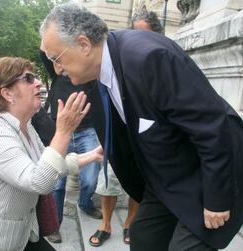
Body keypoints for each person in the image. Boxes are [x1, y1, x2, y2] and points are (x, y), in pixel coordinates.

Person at [40, 3, 243, 251]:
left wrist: (217, 199)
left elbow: (212, 127)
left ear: (84, 44)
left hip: (214, 171)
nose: (56, 69)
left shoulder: (149, 58)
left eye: (56, 58)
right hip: (169, 176)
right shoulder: (98, 74)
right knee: (143, 237)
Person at [0, 57, 103, 251]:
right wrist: (64, 131)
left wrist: (93, 155)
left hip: (21, 235)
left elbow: (49, 166)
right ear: (7, 93)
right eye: (29, 78)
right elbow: (40, 182)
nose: (39, 82)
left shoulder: (26, 127)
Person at [89, 8, 165, 247]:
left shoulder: (160, 59)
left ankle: (130, 222)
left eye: (145, 35)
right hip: (118, 134)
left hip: (147, 139)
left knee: (138, 181)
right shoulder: (116, 58)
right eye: (135, 33)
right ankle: (105, 224)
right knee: (108, 181)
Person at [39, 50, 102, 244]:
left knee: (91, 179)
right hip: (59, 131)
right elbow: (45, 52)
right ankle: (54, 224)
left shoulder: (90, 73)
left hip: (87, 131)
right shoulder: (58, 68)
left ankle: (85, 203)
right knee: (57, 184)